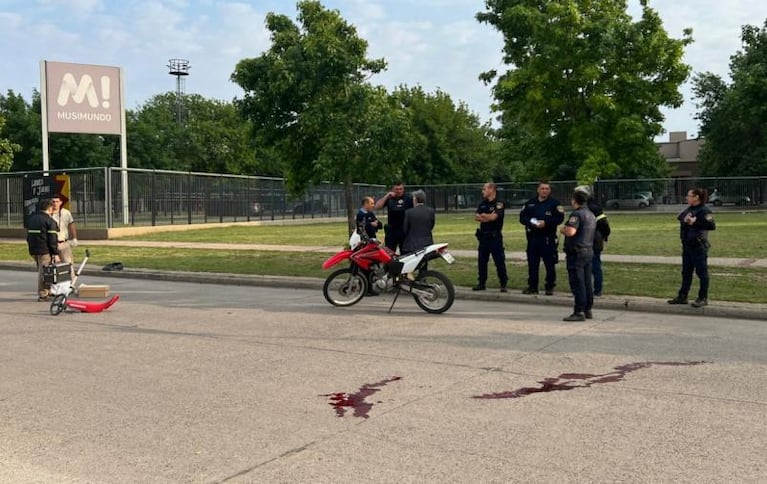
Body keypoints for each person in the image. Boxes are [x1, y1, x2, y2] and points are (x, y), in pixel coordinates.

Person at [668, 188, 716, 307]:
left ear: (696, 197)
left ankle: (703, 297)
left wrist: (695, 222)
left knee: (702, 273)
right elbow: (681, 218)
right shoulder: (690, 209)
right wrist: (685, 219)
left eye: (689, 196)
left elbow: (712, 225)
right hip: (687, 246)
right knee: (686, 272)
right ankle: (683, 296)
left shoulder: (704, 210)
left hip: (698, 246)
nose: (687, 197)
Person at [519, 181, 565, 295]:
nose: (545, 191)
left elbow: (559, 218)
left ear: (549, 191)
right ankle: (532, 286)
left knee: (549, 264)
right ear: (538, 190)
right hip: (533, 238)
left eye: (547, 189)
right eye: (542, 188)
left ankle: (549, 287)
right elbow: (522, 218)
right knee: (532, 264)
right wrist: (533, 222)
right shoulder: (530, 203)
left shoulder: (554, 204)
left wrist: (546, 223)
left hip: (547, 238)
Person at [560, 190, 596, 321]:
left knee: (577, 282)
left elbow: (570, 231)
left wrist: (562, 229)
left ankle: (578, 310)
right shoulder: (591, 214)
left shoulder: (577, 214)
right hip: (588, 251)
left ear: (574, 201)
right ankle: (588, 308)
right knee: (587, 282)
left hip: (576, 253)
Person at [574, 185, 611, 297]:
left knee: (593, 265)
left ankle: (595, 290)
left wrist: (604, 237)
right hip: (591, 240)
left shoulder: (593, 208)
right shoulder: (589, 207)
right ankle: (590, 290)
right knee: (591, 266)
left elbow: (604, 224)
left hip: (591, 240)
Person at [473, 182, 509, 292]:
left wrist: (486, 216)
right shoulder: (482, 204)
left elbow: (494, 217)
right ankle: (481, 283)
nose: (482, 191)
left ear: (492, 189)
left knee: (499, 261)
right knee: (482, 261)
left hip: (495, 237)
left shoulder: (499, 203)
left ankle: (503, 283)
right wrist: (487, 217)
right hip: (484, 237)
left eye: (484, 189)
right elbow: (477, 217)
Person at [26, 198, 61, 301]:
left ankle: (48, 290)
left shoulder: (32, 219)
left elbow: (28, 236)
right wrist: (55, 253)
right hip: (44, 250)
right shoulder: (50, 221)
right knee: (44, 272)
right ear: (50, 208)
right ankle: (43, 294)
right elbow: (52, 239)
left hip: (33, 249)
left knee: (44, 271)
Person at [375, 181, 413, 253]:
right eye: (397, 189)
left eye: (401, 189)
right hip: (392, 230)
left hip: (404, 230)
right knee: (389, 253)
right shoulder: (389, 198)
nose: (399, 191)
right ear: (393, 189)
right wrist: (386, 196)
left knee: (405, 253)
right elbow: (377, 206)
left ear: (403, 189)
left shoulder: (408, 198)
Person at [52, 196, 78, 280]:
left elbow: (71, 225)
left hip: (64, 242)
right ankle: (56, 286)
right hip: (53, 243)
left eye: (57, 201)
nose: (55, 203)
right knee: (54, 265)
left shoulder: (66, 213)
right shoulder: (49, 213)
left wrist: (74, 238)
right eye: (53, 201)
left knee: (68, 264)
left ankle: (72, 284)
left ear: (60, 202)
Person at [402, 189, 435, 254]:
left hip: (412, 244)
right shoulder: (431, 211)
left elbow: (405, 229)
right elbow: (431, 225)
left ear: (415, 199)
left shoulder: (409, 212)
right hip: (427, 242)